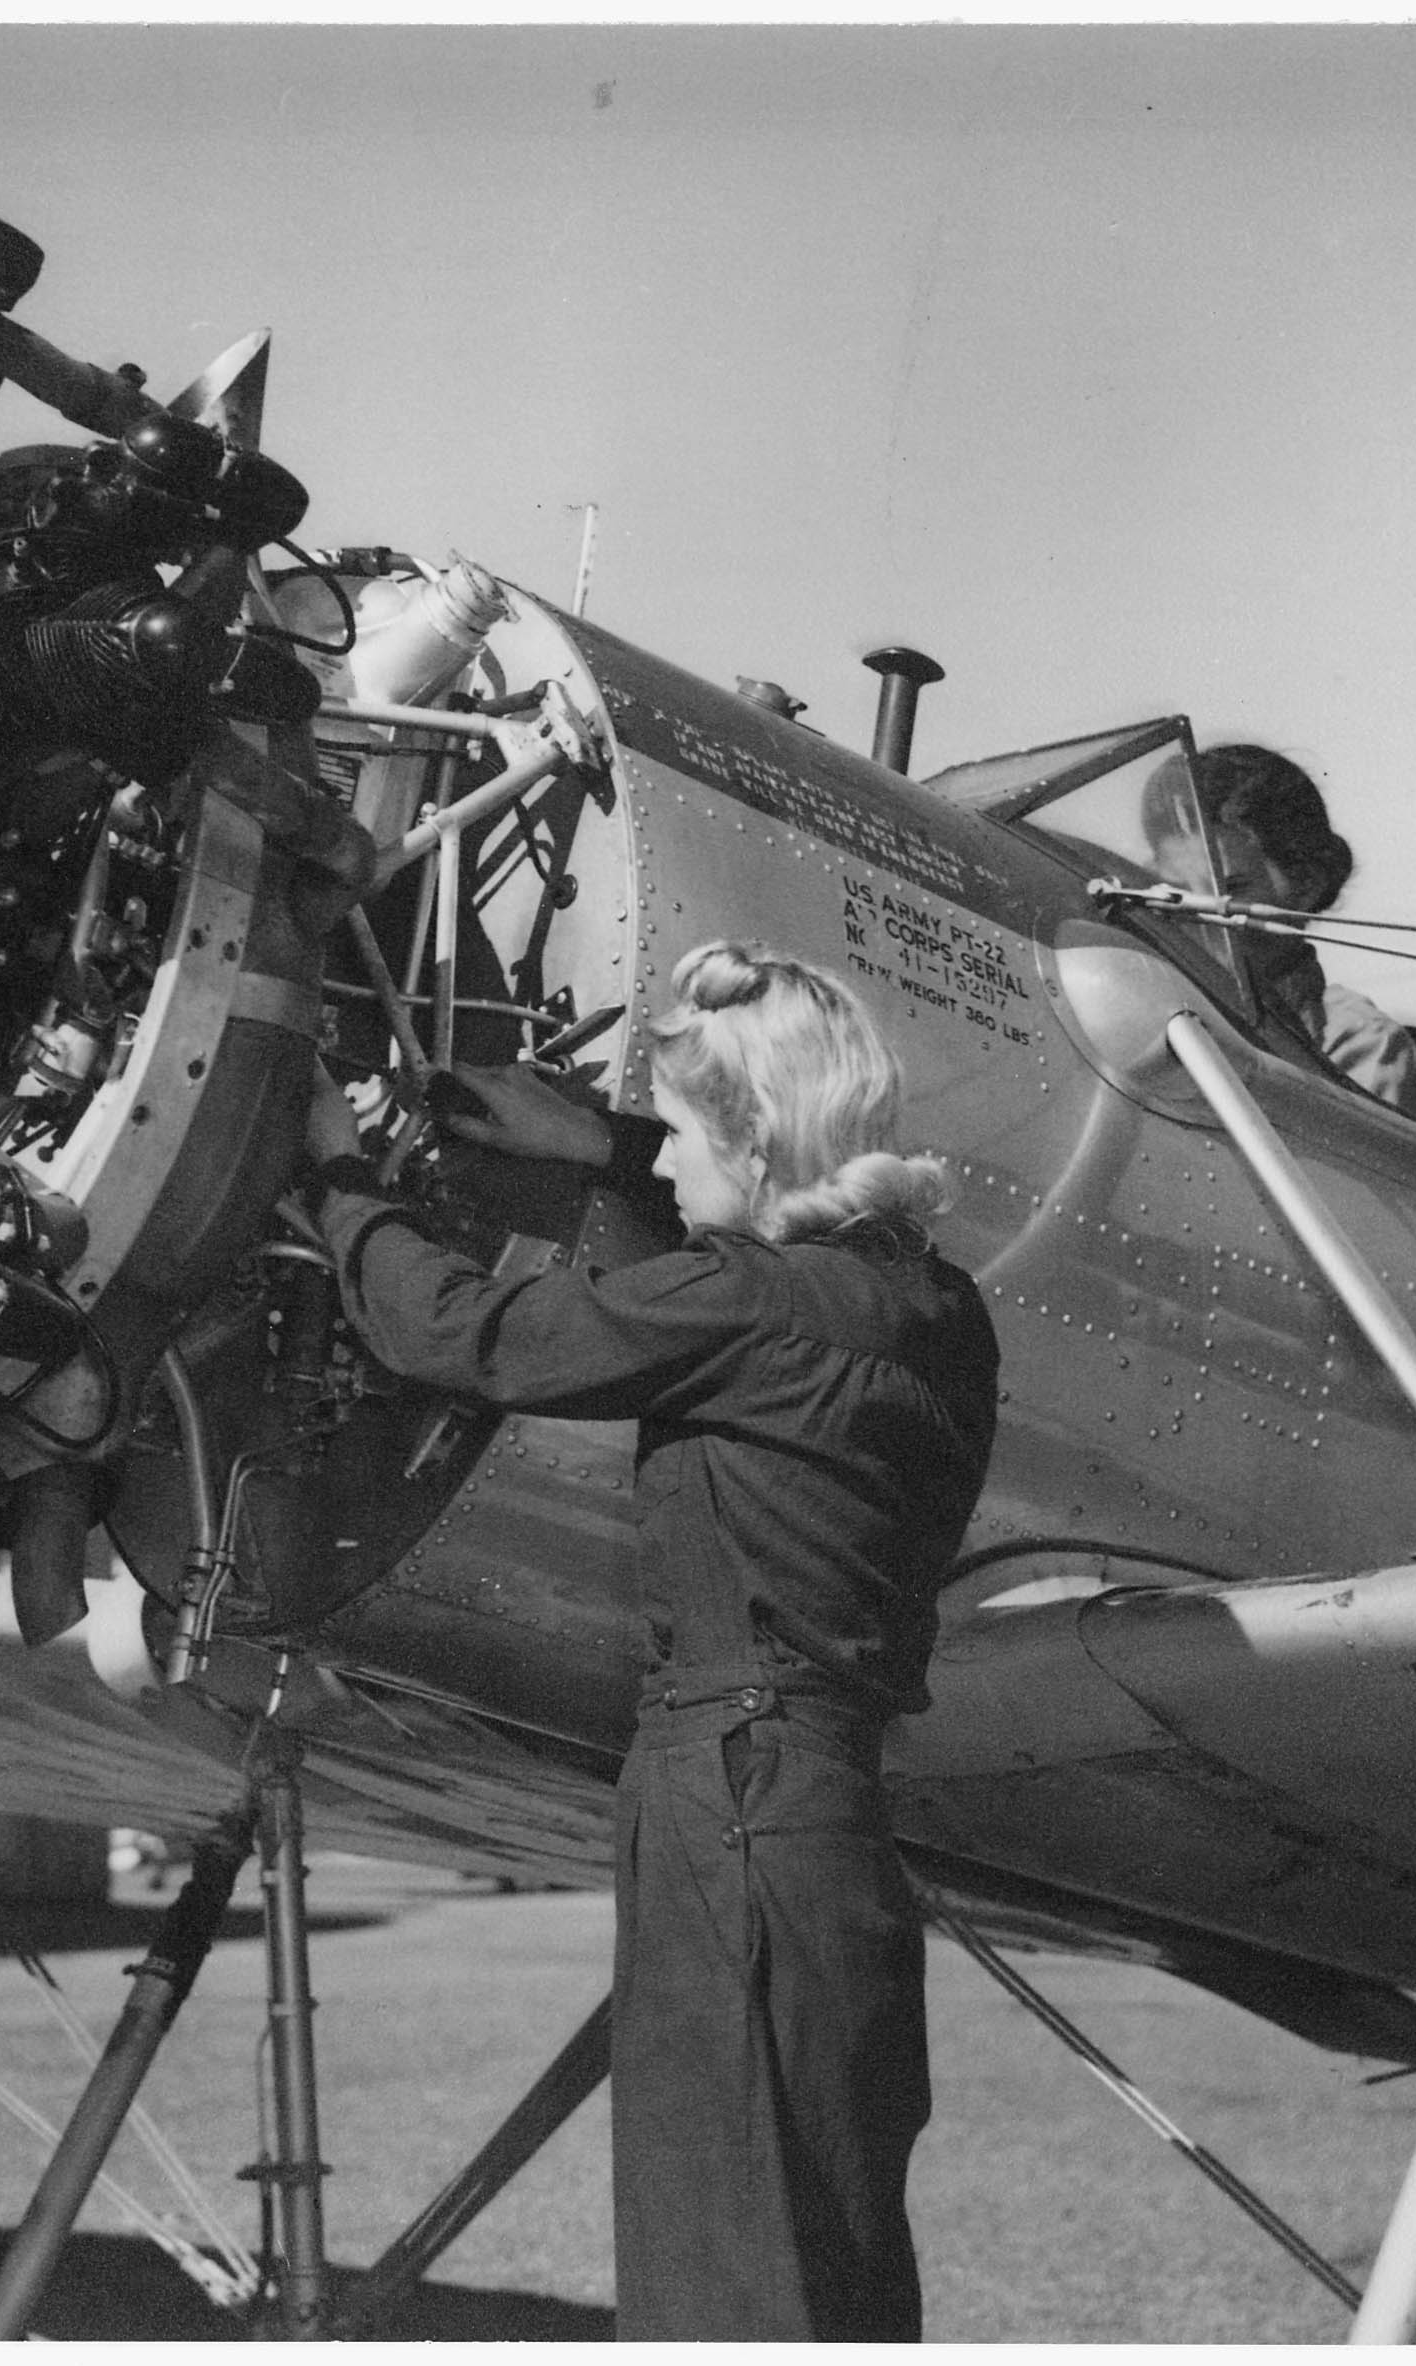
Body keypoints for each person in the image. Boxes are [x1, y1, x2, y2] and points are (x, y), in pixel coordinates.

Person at [302, 943, 1000, 2341]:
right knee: (825, 2243)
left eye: (681, 1135)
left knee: (723, 2265)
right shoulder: (943, 1315)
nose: (665, 1171)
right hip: (826, 1820)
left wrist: (336, 1184)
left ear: (749, 1134)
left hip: (725, 1799)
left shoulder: (746, 1301)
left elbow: (471, 1334)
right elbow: (741, 1229)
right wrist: (598, 1141)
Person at [1142, 742, 1416, 1121]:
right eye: (1180, 894)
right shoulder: (1160, 1025)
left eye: (1230, 889)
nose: (1202, 917)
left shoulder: (1357, 1044)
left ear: (1306, 884)